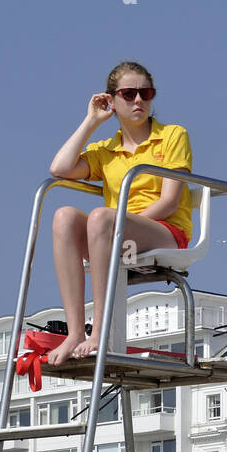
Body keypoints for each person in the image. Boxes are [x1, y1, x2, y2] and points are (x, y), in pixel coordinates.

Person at [45, 61, 193, 366]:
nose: (139, 100)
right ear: (111, 101)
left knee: (101, 216)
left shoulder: (173, 136)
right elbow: (59, 168)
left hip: (164, 232)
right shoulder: (106, 149)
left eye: (146, 93)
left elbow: (168, 202)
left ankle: (100, 332)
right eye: (128, 94)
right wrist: (90, 122)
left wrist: (116, 226)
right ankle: (75, 332)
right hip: (114, 235)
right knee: (64, 216)